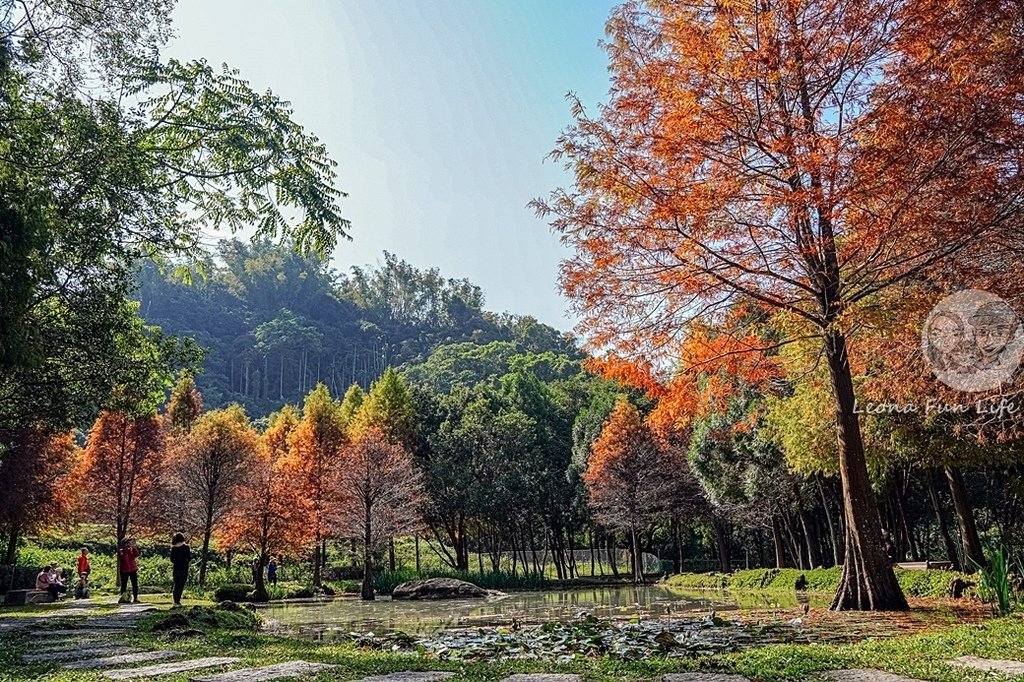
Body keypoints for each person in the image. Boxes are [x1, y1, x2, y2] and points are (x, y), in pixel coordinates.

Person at [169, 532, 191, 607]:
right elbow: (189, 558)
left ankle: (175, 601)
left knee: (176, 585)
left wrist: (176, 562)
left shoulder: (174, 548)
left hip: (176, 568)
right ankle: (178, 601)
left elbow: (171, 559)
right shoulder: (186, 547)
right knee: (181, 585)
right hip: (184, 568)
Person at [118, 537, 141, 603]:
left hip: (133, 569)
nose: (130, 544)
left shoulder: (132, 549)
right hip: (124, 570)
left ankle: (135, 598)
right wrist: (126, 549)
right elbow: (122, 557)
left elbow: (136, 554)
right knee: (124, 584)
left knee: (135, 584)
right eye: (129, 542)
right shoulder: (121, 550)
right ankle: (123, 597)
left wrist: (134, 547)